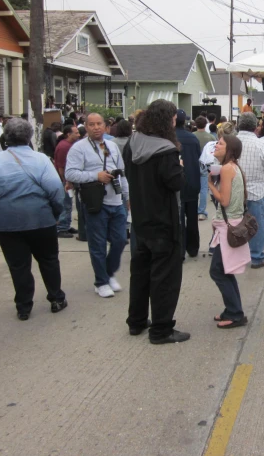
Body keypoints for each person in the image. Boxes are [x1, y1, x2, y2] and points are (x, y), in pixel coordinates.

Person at [0, 119, 67, 320]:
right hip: (40, 217)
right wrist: (56, 214)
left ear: (6, 138)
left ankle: (24, 306)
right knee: (49, 259)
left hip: (5, 220)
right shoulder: (41, 159)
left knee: (18, 264)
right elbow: (56, 191)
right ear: (29, 137)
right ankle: (56, 298)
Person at [123, 100, 189, 344]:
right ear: (167, 120)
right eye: (173, 118)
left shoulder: (133, 143)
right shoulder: (166, 150)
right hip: (163, 220)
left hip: (140, 218)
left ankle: (136, 321)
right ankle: (161, 329)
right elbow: (176, 183)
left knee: (139, 272)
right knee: (165, 277)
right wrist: (180, 167)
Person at [65, 113, 129, 298]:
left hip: (116, 201)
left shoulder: (112, 146)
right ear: (86, 126)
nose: (96, 127)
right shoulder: (79, 148)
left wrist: (127, 196)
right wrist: (95, 176)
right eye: (91, 124)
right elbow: (71, 174)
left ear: (106, 126)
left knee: (119, 241)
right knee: (98, 244)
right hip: (95, 203)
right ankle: (101, 281)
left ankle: (108, 273)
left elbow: (121, 172)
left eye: (99, 124)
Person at [207, 134, 251, 329]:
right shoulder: (234, 167)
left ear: (230, 150)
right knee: (225, 270)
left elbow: (224, 201)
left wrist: (209, 184)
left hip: (228, 227)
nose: (216, 145)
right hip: (231, 224)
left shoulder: (226, 168)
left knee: (217, 271)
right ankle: (232, 310)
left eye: (221, 143)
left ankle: (235, 313)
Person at [236, 112, 264, 268]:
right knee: (256, 224)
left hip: (234, 191)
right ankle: (256, 257)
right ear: (255, 127)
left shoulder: (229, 141)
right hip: (256, 191)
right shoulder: (262, 145)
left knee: (234, 224)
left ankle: (236, 255)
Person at [175, 109, 201, 258]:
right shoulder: (192, 138)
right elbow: (198, 156)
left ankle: (180, 250)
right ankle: (193, 248)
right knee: (192, 218)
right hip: (192, 181)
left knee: (178, 218)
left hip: (177, 183)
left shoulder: (169, 138)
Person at [53, 125, 80, 238]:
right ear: (69, 134)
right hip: (64, 180)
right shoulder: (64, 147)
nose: (78, 135)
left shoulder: (69, 145)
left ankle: (66, 225)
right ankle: (62, 227)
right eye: (76, 133)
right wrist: (66, 181)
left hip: (67, 179)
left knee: (68, 203)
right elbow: (61, 167)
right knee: (66, 204)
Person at [194, 116, 214, 221]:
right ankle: (201, 212)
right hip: (205, 165)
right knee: (203, 189)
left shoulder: (192, 136)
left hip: (193, 164)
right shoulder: (211, 137)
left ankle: (191, 210)